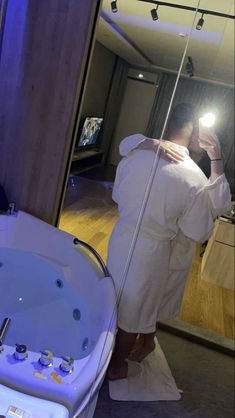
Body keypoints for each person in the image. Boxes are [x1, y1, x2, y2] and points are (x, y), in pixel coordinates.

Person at [107, 103, 231, 380]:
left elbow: (117, 194)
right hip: (153, 250)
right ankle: (116, 366)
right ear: (197, 135)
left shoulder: (134, 154)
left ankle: (115, 346)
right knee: (135, 310)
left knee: (115, 293)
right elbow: (198, 232)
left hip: (121, 236)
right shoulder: (193, 177)